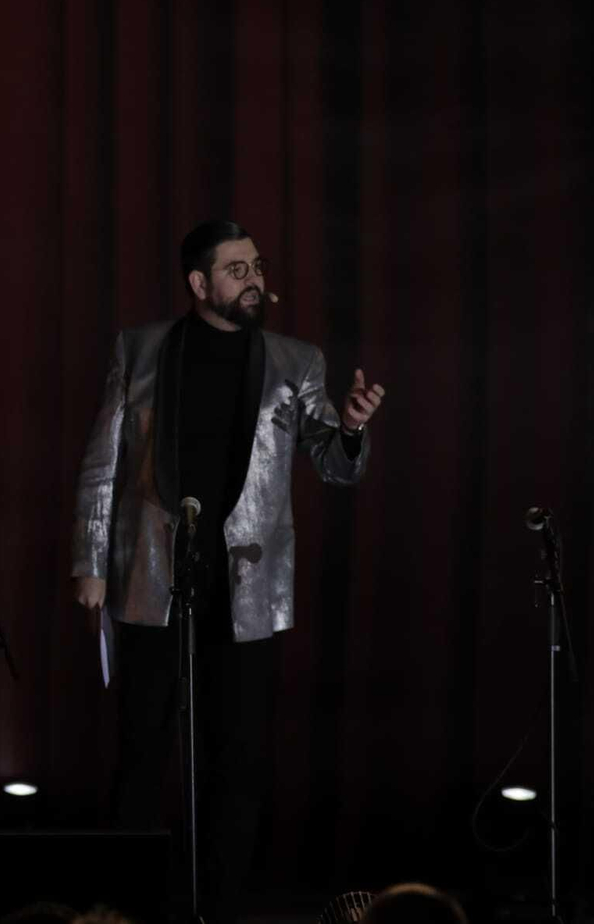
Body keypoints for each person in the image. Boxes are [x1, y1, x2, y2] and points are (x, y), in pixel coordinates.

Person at [70, 220, 385, 923]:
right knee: (141, 749)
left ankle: (220, 906)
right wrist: (89, 563)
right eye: (237, 269)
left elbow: (333, 464)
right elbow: (102, 463)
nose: (254, 280)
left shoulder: (296, 360)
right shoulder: (140, 348)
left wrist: (352, 429)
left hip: (248, 586)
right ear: (199, 282)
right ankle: (128, 908)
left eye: (257, 267)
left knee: (237, 756)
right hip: (151, 576)